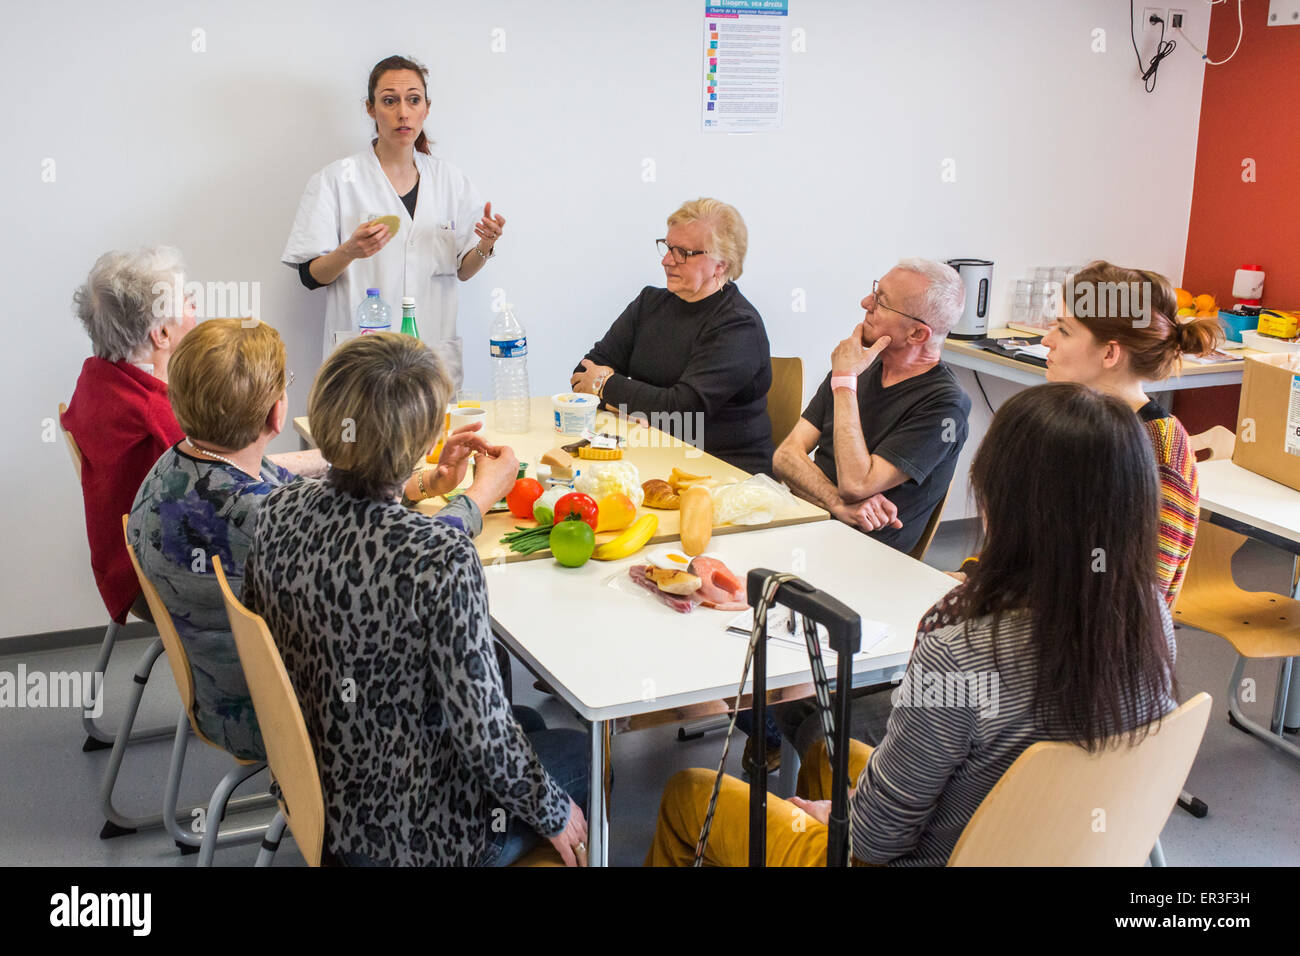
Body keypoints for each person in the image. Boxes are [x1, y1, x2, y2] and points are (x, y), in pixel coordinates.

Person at [647, 383, 1179, 866]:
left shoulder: (959, 652)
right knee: (828, 756)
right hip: (1050, 848)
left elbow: (875, 842)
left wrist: (833, 817)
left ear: (1003, 502)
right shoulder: (1147, 613)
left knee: (691, 794)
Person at [242, 333, 589, 866]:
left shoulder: (275, 509)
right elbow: (483, 736)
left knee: (532, 726)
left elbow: (361, 522)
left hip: (318, 790)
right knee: (581, 751)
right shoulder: (440, 556)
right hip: (417, 832)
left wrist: (431, 482)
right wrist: (551, 810)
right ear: (426, 435)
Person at [126, 318, 328, 759]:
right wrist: (474, 499)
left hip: (221, 691)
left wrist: (405, 483)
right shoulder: (262, 519)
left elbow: (282, 483)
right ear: (278, 413)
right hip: (280, 716)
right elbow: (399, 567)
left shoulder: (176, 464)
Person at [281, 54, 504, 383]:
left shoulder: (450, 181)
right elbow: (309, 276)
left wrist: (485, 245)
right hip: (362, 360)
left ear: (426, 108)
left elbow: (464, 270)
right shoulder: (336, 180)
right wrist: (349, 252)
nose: (403, 112)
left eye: (413, 100)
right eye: (389, 101)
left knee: (435, 434)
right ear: (371, 109)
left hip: (430, 358)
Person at [1041, 260, 1223, 603]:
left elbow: (1135, 601)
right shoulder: (1074, 422)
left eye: (1064, 331)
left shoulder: (1159, 454)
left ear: (1110, 352)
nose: (1046, 339)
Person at [774, 258, 971, 556]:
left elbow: (856, 483)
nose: (866, 302)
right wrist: (836, 502)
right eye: (875, 291)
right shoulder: (858, 369)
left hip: (863, 556)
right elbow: (785, 456)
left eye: (881, 302)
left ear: (917, 334)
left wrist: (843, 381)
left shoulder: (946, 407)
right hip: (809, 524)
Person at [570, 198, 774, 475]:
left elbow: (681, 409)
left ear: (721, 265)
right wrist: (639, 405)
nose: (667, 260)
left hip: (722, 472)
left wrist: (606, 385)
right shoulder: (649, 303)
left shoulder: (738, 326)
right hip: (651, 454)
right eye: (667, 247)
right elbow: (583, 371)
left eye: (684, 253)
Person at [62, 247, 197, 624]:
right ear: (162, 333)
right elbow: (226, 481)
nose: (195, 308)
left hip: (121, 568)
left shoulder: (96, 379)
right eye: (188, 301)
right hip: (156, 578)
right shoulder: (155, 413)